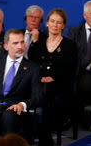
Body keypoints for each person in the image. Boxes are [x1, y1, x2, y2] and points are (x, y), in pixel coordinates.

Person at [0, 29, 40, 143]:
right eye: (15, 43)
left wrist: (21, 105)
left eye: (22, 42)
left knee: (9, 116)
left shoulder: (33, 68)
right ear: (6, 46)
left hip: (15, 110)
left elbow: (38, 96)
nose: (20, 46)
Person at [28, 9, 77, 143]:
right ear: (47, 24)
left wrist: (54, 78)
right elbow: (31, 67)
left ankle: (44, 138)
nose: (55, 25)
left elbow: (71, 71)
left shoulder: (69, 45)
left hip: (60, 87)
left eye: (59, 22)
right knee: (38, 93)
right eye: (52, 21)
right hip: (39, 85)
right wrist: (40, 78)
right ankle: (42, 137)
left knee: (44, 95)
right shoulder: (38, 44)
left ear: (63, 25)